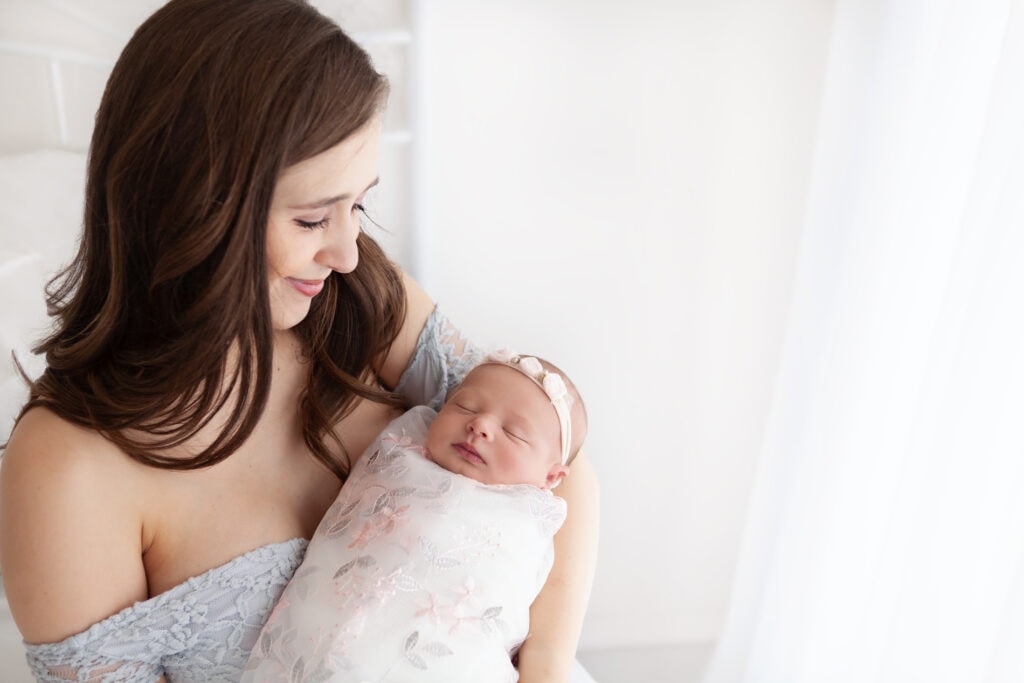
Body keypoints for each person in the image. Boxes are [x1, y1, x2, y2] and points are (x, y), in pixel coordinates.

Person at [0, 1, 599, 682]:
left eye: (359, 204)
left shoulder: (359, 298)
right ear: (194, 202)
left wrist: (546, 660)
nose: (346, 250)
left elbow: (555, 452)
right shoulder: (71, 470)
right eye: (313, 217)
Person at [243, 351, 588, 682]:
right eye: (464, 406)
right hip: (324, 638)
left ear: (552, 478)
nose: (479, 424)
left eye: (514, 433)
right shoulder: (401, 456)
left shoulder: (529, 522)